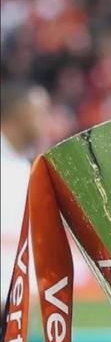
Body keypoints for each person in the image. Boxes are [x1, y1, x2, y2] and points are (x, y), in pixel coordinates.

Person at [1, 80, 50, 299]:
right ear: (20, 113)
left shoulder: (25, 165)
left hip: (15, 297)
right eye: (41, 112)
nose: (46, 120)